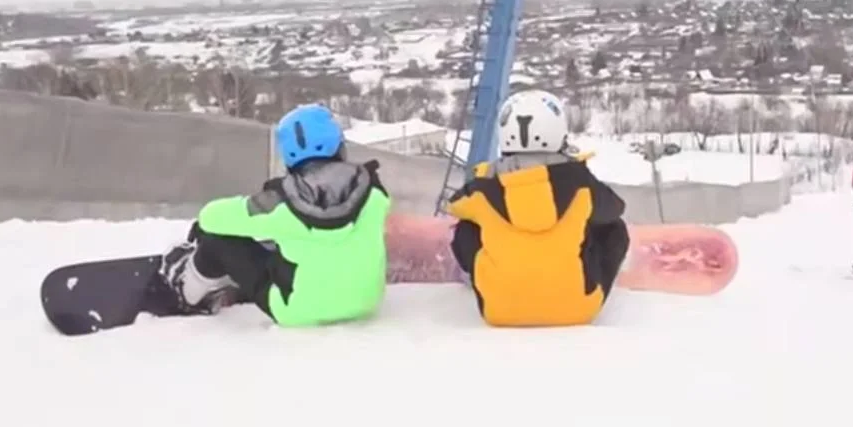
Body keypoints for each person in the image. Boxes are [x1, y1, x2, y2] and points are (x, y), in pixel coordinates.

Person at [157, 103, 392, 326]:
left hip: (299, 312)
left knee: (216, 238)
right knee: (294, 243)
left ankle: (187, 293)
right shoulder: (376, 193)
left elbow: (211, 216)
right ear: (339, 145)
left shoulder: (279, 201)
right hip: (366, 304)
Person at [445, 89, 630, 327]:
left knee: (468, 226)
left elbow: (454, 206)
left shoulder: (483, 188)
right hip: (578, 309)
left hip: (498, 310)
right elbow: (616, 208)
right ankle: (579, 284)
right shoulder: (580, 183)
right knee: (613, 227)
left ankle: (490, 284)